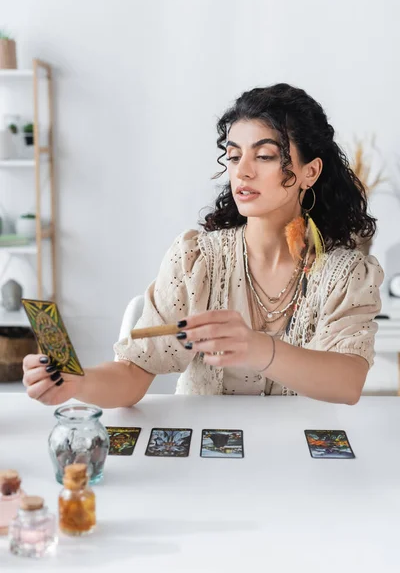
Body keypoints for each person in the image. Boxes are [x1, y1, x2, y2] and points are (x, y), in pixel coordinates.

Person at [22, 83, 383, 408]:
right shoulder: (198, 261)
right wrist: (78, 383)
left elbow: (347, 382)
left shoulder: (345, 274)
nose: (242, 171)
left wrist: (258, 348)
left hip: (300, 463)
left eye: (264, 156)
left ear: (310, 171)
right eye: (234, 154)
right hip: (202, 460)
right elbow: (132, 376)